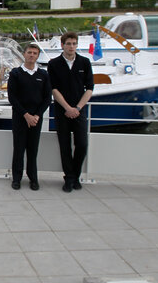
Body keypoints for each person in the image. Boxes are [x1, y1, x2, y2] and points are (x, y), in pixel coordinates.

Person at [47, 31, 94, 193]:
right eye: (68, 44)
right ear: (62, 45)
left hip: (80, 111)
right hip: (62, 112)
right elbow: (53, 89)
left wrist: (78, 108)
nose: (71, 46)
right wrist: (67, 108)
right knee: (65, 146)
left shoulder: (85, 63)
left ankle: (75, 175)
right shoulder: (54, 64)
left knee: (82, 144)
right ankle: (69, 178)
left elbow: (89, 89)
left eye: (74, 43)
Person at [7, 43, 51, 191]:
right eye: (29, 52)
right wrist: (26, 115)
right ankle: (17, 179)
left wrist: (37, 115)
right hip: (20, 118)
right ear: (24, 54)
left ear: (38, 56)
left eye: (35, 53)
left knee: (33, 150)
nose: (32, 55)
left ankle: (33, 179)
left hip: (36, 119)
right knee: (18, 149)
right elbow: (12, 97)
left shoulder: (43, 75)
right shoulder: (16, 74)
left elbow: (47, 98)